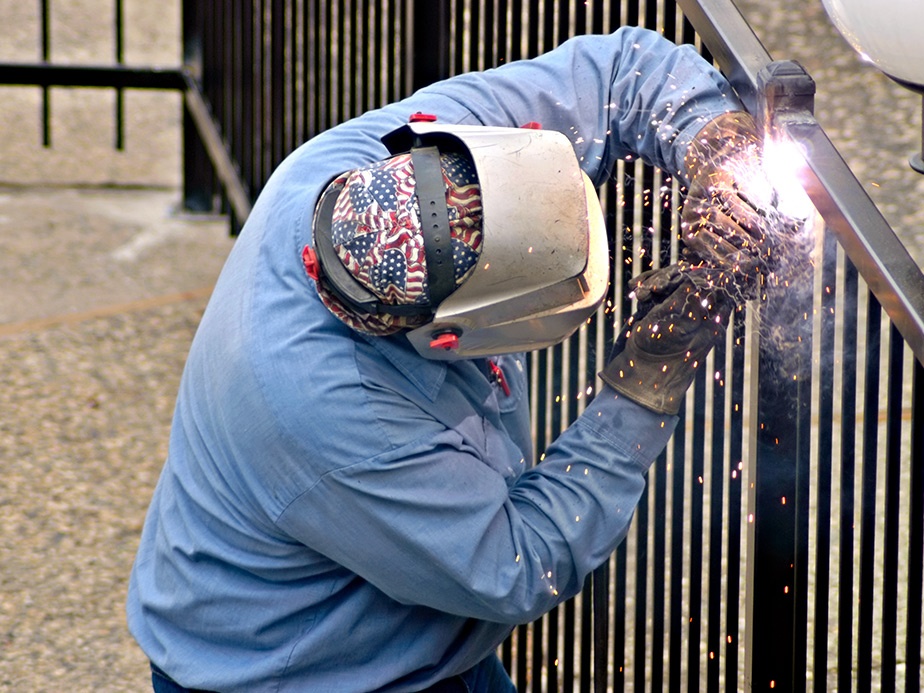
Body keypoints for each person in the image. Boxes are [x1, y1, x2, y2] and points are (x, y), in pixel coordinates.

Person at [127, 25, 786, 693]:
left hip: (410, 637)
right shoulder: (337, 416)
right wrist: (646, 379)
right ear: (447, 339)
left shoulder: (376, 156)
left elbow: (619, 70)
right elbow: (520, 562)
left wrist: (718, 155)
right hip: (293, 672)